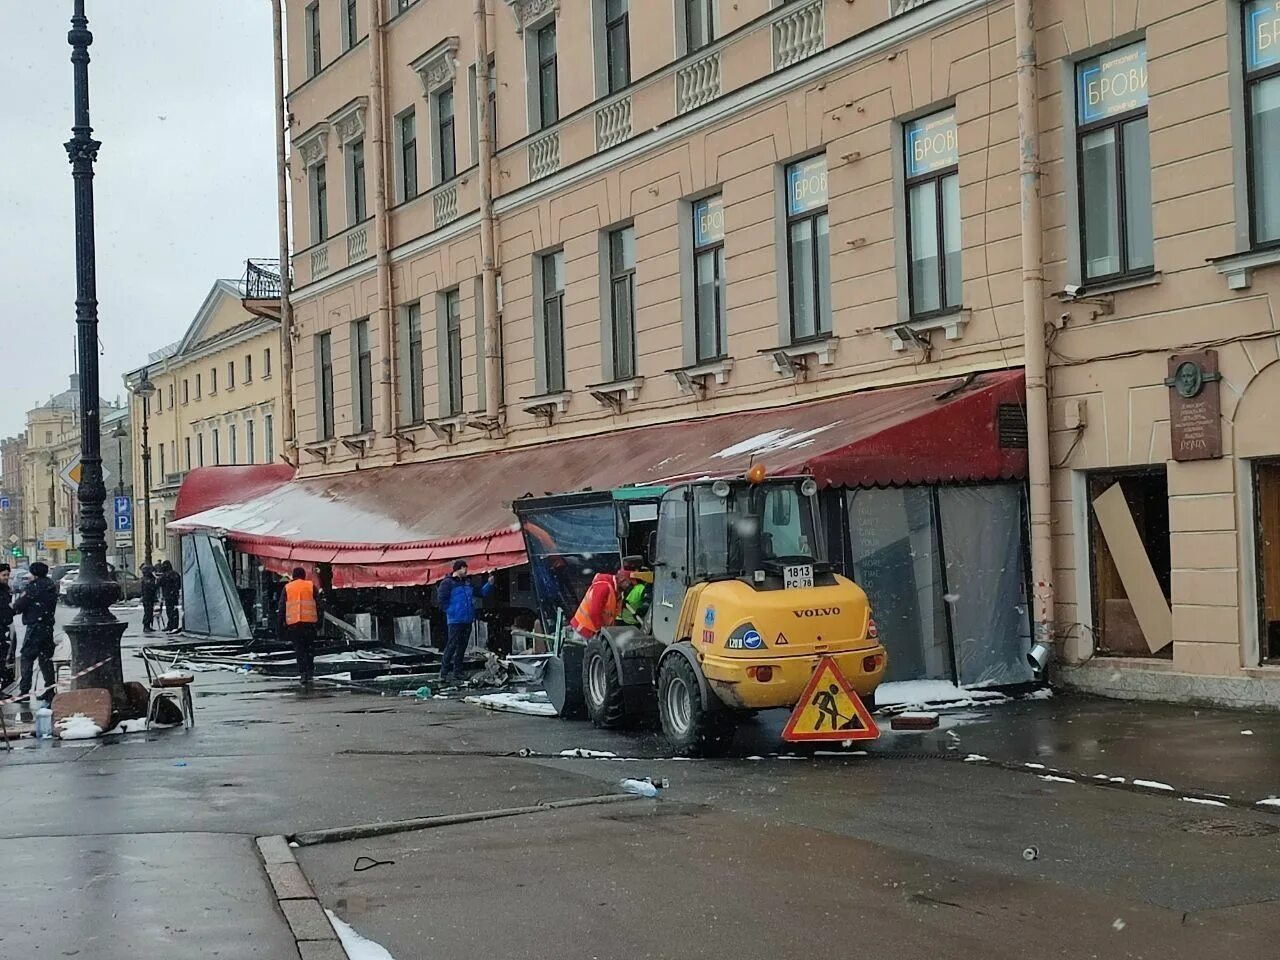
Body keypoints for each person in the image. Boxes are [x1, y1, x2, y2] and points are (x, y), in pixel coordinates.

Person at [435, 561, 494, 683]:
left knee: (462, 647)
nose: (466, 571)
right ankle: (443, 672)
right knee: (451, 646)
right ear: (457, 569)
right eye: (463, 568)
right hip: (455, 620)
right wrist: (452, 611)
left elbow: (480, 593)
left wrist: (489, 584)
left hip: (467, 619)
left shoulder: (467, 583)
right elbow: (441, 601)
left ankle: (458, 671)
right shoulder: (447, 583)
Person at [14, 561, 58, 703]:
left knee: (27, 656)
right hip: (47, 627)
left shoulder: (33, 588)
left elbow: (19, 605)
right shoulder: (51, 585)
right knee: (45, 659)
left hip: (35, 627)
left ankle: (24, 691)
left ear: (34, 573)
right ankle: (50, 689)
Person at [278, 567, 323, 691]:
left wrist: (280, 625)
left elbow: (282, 608)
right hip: (310, 624)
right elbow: (319, 606)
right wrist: (320, 622)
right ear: (304, 576)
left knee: (299, 649)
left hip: (294, 625)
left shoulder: (287, 588)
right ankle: (310, 670)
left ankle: (303, 673)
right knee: (310, 648)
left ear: (293, 576)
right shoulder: (311, 586)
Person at [0, 564, 15, 687]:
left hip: (4, 628)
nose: (6, 577)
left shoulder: (5, 590)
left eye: (8, 575)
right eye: (4, 575)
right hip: (1, 628)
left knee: (3, 658)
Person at [158, 560, 181, 633]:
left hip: (168, 595)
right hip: (173, 595)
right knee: (174, 610)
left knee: (170, 611)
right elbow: (178, 585)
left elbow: (158, 583)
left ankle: (171, 625)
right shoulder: (175, 574)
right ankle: (174, 625)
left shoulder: (165, 575)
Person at [139, 563, 158, 634]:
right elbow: (151, 587)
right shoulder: (147, 579)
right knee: (148, 612)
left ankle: (148, 626)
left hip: (149, 598)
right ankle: (146, 626)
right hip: (148, 598)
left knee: (149, 612)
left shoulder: (147, 579)